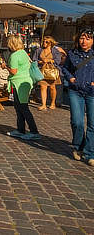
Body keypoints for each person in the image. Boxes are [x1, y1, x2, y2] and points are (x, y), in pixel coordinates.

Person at [60, 28, 94, 166]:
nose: (84, 41)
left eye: (87, 38)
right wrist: (71, 78)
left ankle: (90, 153)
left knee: (93, 124)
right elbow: (65, 68)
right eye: (81, 38)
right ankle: (79, 146)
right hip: (75, 91)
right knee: (77, 121)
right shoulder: (72, 54)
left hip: (92, 92)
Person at [1, 34, 40, 140]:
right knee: (19, 107)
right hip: (24, 81)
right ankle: (20, 129)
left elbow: (14, 71)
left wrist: (5, 67)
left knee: (23, 107)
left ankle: (34, 131)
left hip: (19, 83)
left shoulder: (14, 55)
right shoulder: (23, 53)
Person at [33, 36, 66, 111]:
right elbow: (34, 59)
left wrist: (49, 60)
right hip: (42, 70)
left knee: (52, 87)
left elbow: (58, 60)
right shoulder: (39, 50)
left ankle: (53, 103)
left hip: (52, 71)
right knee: (43, 87)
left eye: (46, 42)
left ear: (51, 43)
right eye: (43, 41)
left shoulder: (55, 51)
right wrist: (41, 61)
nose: (44, 43)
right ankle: (43, 104)